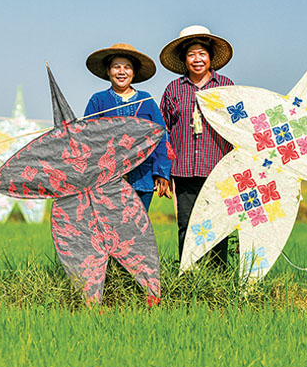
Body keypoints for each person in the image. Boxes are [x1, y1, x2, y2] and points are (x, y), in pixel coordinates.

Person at [158, 25, 234, 267]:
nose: (197, 59)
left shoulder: (225, 87)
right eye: (192, 54)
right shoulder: (174, 90)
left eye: (202, 53)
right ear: (184, 59)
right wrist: (163, 171)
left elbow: (238, 127)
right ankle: (188, 274)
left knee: (219, 223)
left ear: (210, 58)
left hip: (218, 169)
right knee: (187, 224)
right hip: (183, 170)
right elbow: (163, 132)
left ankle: (218, 276)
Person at [84, 43, 173, 211]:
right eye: (116, 67)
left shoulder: (146, 100)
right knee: (111, 229)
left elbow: (161, 137)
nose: (122, 71)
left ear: (133, 72)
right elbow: (87, 137)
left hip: (143, 177)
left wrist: (162, 173)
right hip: (107, 179)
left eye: (127, 67)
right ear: (108, 71)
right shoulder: (98, 100)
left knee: (138, 229)